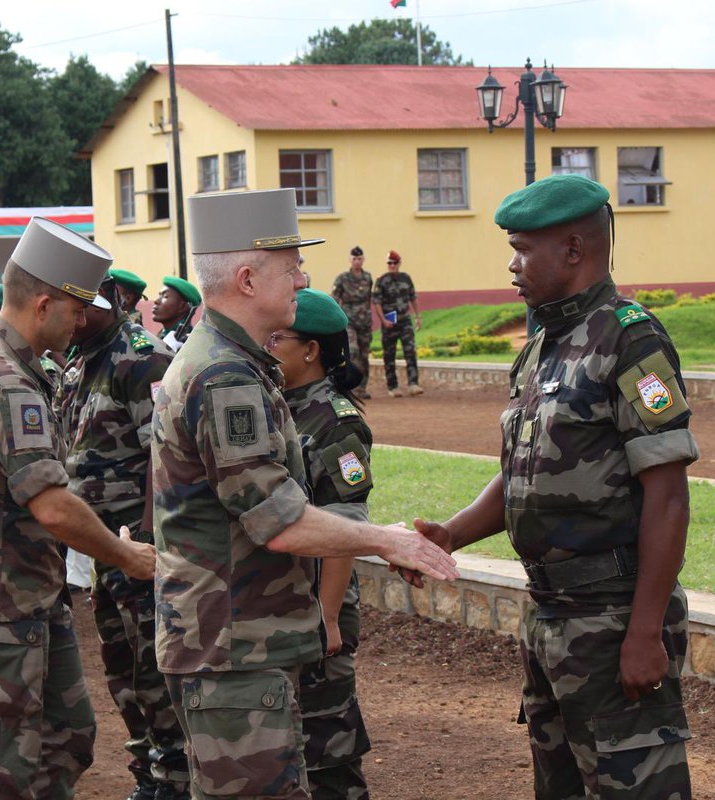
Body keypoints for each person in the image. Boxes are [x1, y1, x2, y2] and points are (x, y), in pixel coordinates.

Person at [152, 188, 458, 800]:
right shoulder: (225, 377)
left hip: (235, 641)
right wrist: (386, 540)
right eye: (290, 266)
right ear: (246, 278)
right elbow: (279, 521)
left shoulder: (231, 362)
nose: (303, 277)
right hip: (235, 648)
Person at [411, 174, 699, 800]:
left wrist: (646, 632)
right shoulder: (542, 341)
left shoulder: (630, 339)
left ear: (573, 249)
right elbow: (528, 469)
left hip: (612, 614)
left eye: (522, 250)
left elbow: (668, 494)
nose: (512, 266)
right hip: (551, 618)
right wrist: (452, 534)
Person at [0, 217, 156, 799]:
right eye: (77, 307)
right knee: (0, 763)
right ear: (45, 303)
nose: (84, 319)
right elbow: (52, 507)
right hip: (1, 593)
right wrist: (126, 555)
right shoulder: (5, 381)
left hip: (26, 587)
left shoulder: (2, 361)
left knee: (67, 736)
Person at [59, 274, 188, 800]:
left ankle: (177, 779)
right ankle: (149, 772)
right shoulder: (79, 357)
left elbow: (165, 456)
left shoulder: (141, 359)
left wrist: (147, 543)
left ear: (104, 303)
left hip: (138, 547)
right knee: (121, 667)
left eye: (76, 309)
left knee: (155, 668)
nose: (68, 319)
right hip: (103, 546)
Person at [270, 288, 374, 800]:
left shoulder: (336, 421)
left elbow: (345, 525)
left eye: (278, 338)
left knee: (328, 756)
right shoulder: (278, 406)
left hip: (319, 609)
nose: (266, 346)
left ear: (310, 350)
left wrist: (329, 617)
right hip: (287, 605)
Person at [372, 250, 422, 398]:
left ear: (399, 263)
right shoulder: (381, 280)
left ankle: (413, 384)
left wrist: (417, 316)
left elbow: (413, 297)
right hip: (389, 323)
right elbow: (377, 302)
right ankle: (393, 386)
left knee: (410, 351)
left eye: (394, 263)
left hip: (404, 320)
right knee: (389, 354)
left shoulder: (406, 278)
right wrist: (383, 320)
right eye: (389, 263)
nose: (391, 265)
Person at [330, 246, 373, 399]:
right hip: (349, 320)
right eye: (354, 259)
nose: (357, 261)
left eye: (359, 258)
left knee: (364, 355)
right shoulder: (342, 278)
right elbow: (335, 298)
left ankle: (362, 387)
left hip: (365, 321)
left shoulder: (368, 277)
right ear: (350, 260)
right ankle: (351, 386)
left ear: (363, 260)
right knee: (352, 350)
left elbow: (369, 298)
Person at [151, 276, 200, 351]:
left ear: (182, 306)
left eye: (165, 296)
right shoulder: (161, 335)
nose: (156, 301)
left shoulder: (190, 341)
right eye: (159, 295)